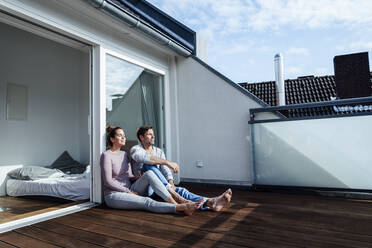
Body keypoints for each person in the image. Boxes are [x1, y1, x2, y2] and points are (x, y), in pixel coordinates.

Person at [101, 125, 202, 215]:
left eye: (124, 135)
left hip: (131, 189)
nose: (124, 137)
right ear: (112, 139)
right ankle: (179, 207)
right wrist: (127, 191)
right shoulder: (106, 155)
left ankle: (175, 201)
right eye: (120, 135)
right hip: (114, 194)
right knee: (146, 201)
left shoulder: (124, 155)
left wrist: (137, 177)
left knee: (149, 173)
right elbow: (108, 182)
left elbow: (129, 176)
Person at [130, 125, 232, 211]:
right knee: (149, 165)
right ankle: (176, 196)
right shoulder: (136, 149)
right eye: (149, 134)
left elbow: (165, 171)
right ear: (141, 137)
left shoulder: (159, 151)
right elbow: (143, 158)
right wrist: (167, 162)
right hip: (142, 189)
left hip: (157, 188)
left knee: (181, 190)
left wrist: (170, 182)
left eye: (153, 134)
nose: (153, 136)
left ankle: (210, 202)